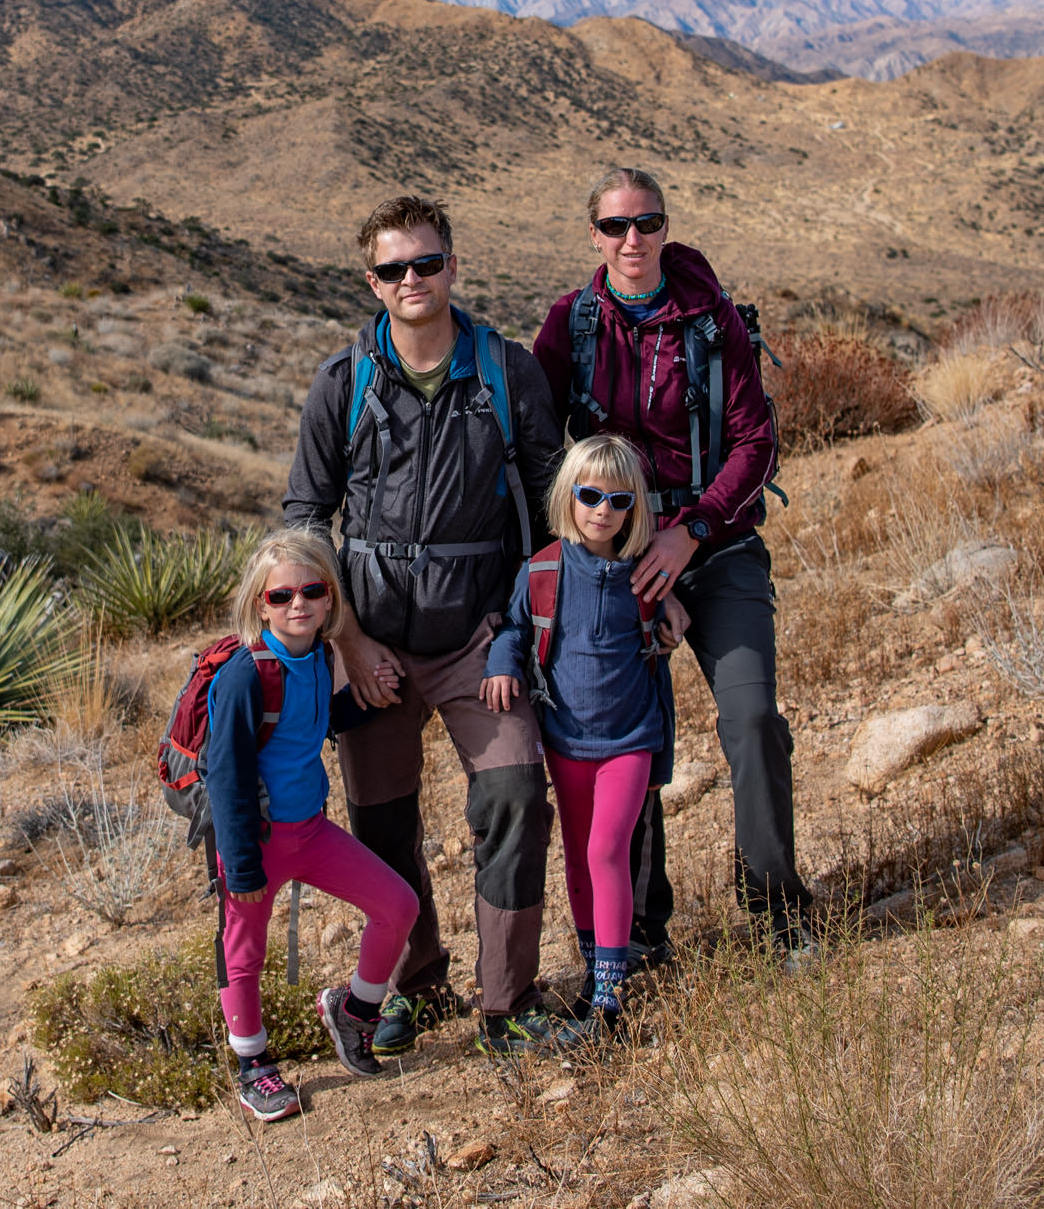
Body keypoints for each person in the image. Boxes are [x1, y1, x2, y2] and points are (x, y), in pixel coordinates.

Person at [284, 195, 576, 1056]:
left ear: (453, 265)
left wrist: (517, 631)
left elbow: (552, 503)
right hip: (372, 642)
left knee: (516, 794)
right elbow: (306, 521)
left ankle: (507, 1002)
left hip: (481, 634)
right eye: (393, 269)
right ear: (371, 282)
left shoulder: (506, 373)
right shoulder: (343, 384)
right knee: (383, 827)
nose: (413, 280)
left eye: (427, 262)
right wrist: (347, 639)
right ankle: (415, 985)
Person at [530, 166, 813, 967]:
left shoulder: (710, 319)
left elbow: (756, 443)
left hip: (715, 548)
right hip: (615, 561)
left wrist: (689, 530)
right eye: (616, 226)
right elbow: (541, 443)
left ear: (665, 227)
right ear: (594, 234)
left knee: (752, 718)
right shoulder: (573, 325)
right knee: (628, 736)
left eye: (646, 223)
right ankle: (642, 930)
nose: (632, 240)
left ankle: (775, 908)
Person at [207, 527, 419, 1122]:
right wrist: (242, 862)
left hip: (313, 834)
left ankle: (353, 1012)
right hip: (259, 842)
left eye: (311, 590)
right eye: (280, 596)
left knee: (398, 906)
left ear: (330, 601)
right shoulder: (247, 675)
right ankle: (254, 1065)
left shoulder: (321, 658)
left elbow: (314, 721)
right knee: (244, 953)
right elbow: (225, 777)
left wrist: (367, 697)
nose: (296, 604)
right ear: (259, 603)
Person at [484, 435, 676, 1044]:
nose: (602, 510)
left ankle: (611, 1000)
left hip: (630, 739)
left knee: (606, 853)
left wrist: (671, 607)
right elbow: (514, 628)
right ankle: (598, 971)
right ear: (568, 496)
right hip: (565, 740)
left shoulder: (645, 571)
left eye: (618, 500)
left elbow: (669, 619)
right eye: (590, 495)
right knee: (577, 860)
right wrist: (500, 663)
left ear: (633, 507)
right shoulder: (542, 568)